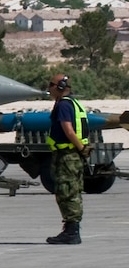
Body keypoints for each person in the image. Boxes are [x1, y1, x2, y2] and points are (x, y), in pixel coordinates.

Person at [45, 72, 87, 245]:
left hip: (67, 156)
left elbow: (68, 130)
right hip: (73, 156)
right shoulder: (73, 103)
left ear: (60, 87)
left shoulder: (63, 105)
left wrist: (81, 148)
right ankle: (71, 230)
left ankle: (71, 232)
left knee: (66, 191)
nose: (49, 88)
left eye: (51, 85)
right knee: (73, 191)